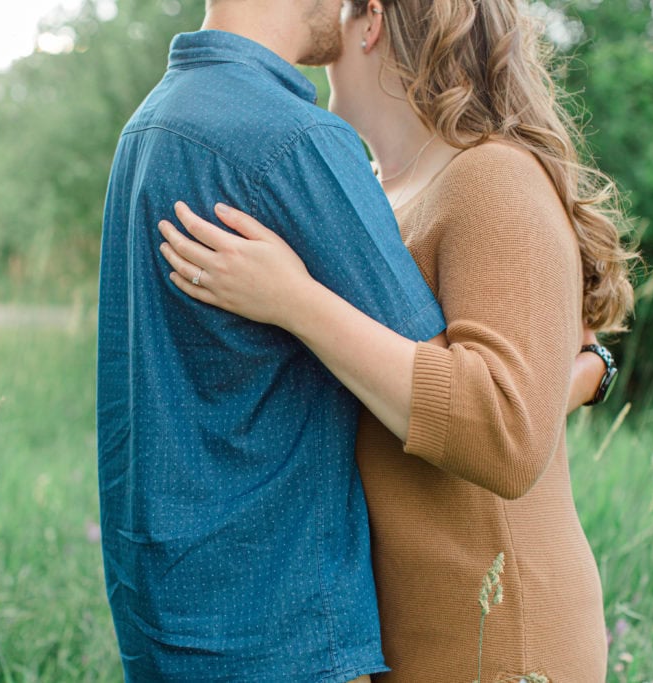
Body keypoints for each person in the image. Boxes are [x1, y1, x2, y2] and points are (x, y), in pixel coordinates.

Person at [157, 0, 637, 680]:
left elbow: (505, 429)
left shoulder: (492, 176)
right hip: (404, 629)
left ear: (373, 20)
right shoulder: (379, 192)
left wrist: (292, 300)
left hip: (498, 631)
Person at [96, 1, 449, 680]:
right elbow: (440, 392)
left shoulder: (148, 126)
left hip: (165, 620)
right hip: (281, 628)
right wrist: (584, 365)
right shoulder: (295, 139)